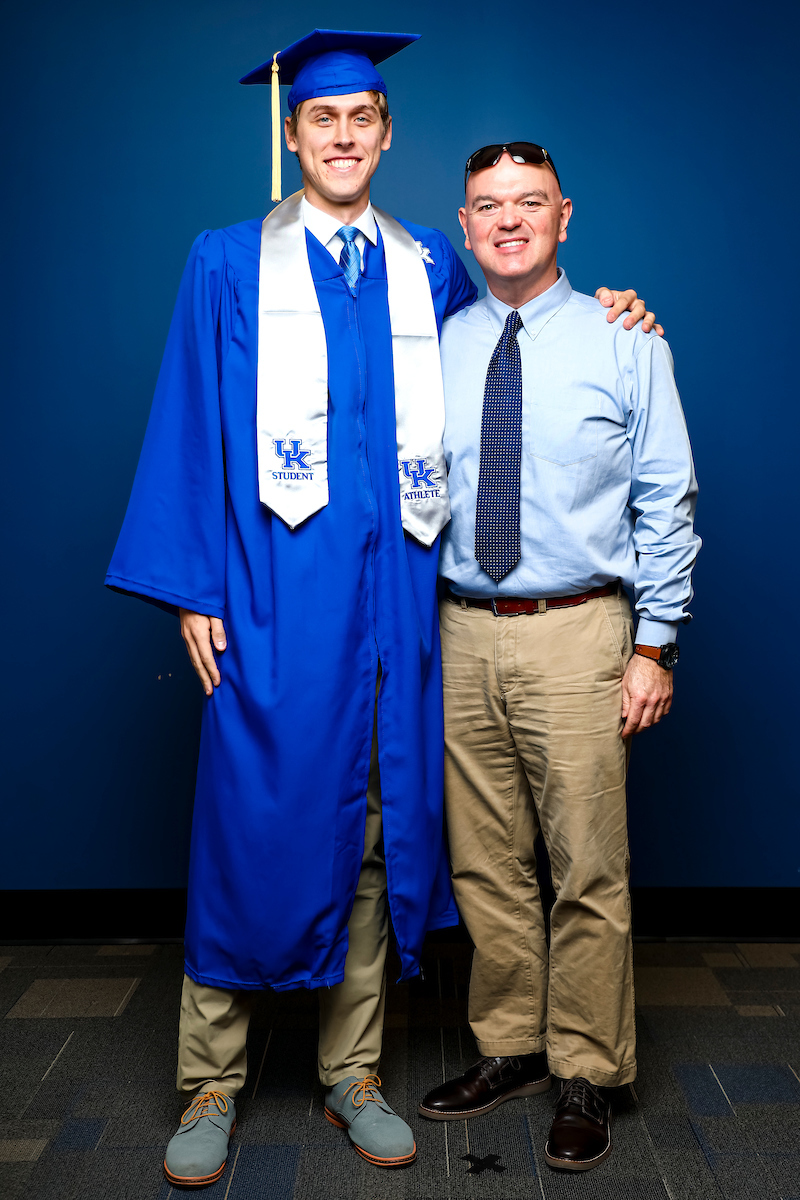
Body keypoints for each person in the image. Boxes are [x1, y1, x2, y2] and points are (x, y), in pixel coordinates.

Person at [106, 31, 657, 1183]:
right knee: (249, 828)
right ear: (290, 133)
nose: (343, 137)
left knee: (372, 826)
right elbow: (189, 421)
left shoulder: (424, 265)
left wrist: (614, 311)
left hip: (401, 610)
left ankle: (349, 1073)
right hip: (270, 599)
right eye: (322, 120)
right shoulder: (226, 262)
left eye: (362, 118)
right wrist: (195, 590)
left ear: (386, 130)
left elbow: (514, 318)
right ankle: (211, 1084)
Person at [419, 142, 699, 1173]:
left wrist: (653, 643)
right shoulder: (434, 345)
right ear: (462, 226)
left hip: (579, 628)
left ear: (563, 217)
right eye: (486, 206)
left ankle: (585, 1067)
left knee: (586, 865)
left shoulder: (626, 341)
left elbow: (664, 497)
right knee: (485, 862)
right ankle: (510, 1048)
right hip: (457, 629)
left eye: (527, 203)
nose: (506, 221)